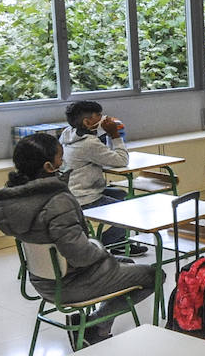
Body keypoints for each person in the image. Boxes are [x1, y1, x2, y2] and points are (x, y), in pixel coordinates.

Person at [0, 133, 156, 347]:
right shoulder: (57, 201)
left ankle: (91, 325)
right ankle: (96, 326)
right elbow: (81, 255)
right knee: (153, 275)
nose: (63, 163)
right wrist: (100, 249)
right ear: (48, 166)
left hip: (42, 281)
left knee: (126, 263)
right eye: (60, 158)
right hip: (73, 283)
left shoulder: (9, 202)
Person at [60, 100, 147, 255]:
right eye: (98, 116)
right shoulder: (88, 144)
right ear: (87, 122)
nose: (103, 119)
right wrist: (115, 135)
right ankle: (106, 243)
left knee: (121, 194)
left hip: (73, 192)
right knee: (128, 211)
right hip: (85, 197)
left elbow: (100, 155)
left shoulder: (68, 133)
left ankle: (119, 240)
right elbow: (121, 160)